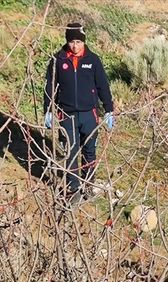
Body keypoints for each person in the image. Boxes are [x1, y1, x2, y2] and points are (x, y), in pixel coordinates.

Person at [44, 22, 114, 201]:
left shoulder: (93, 60)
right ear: (67, 41)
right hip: (67, 114)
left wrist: (108, 109)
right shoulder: (58, 60)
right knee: (71, 151)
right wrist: (48, 110)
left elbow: (103, 86)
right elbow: (49, 87)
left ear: (84, 41)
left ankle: (89, 183)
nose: (75, 46)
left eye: (78, 42)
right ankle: (73, 188)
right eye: (72, 42)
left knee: (89, 150)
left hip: (89, 114)